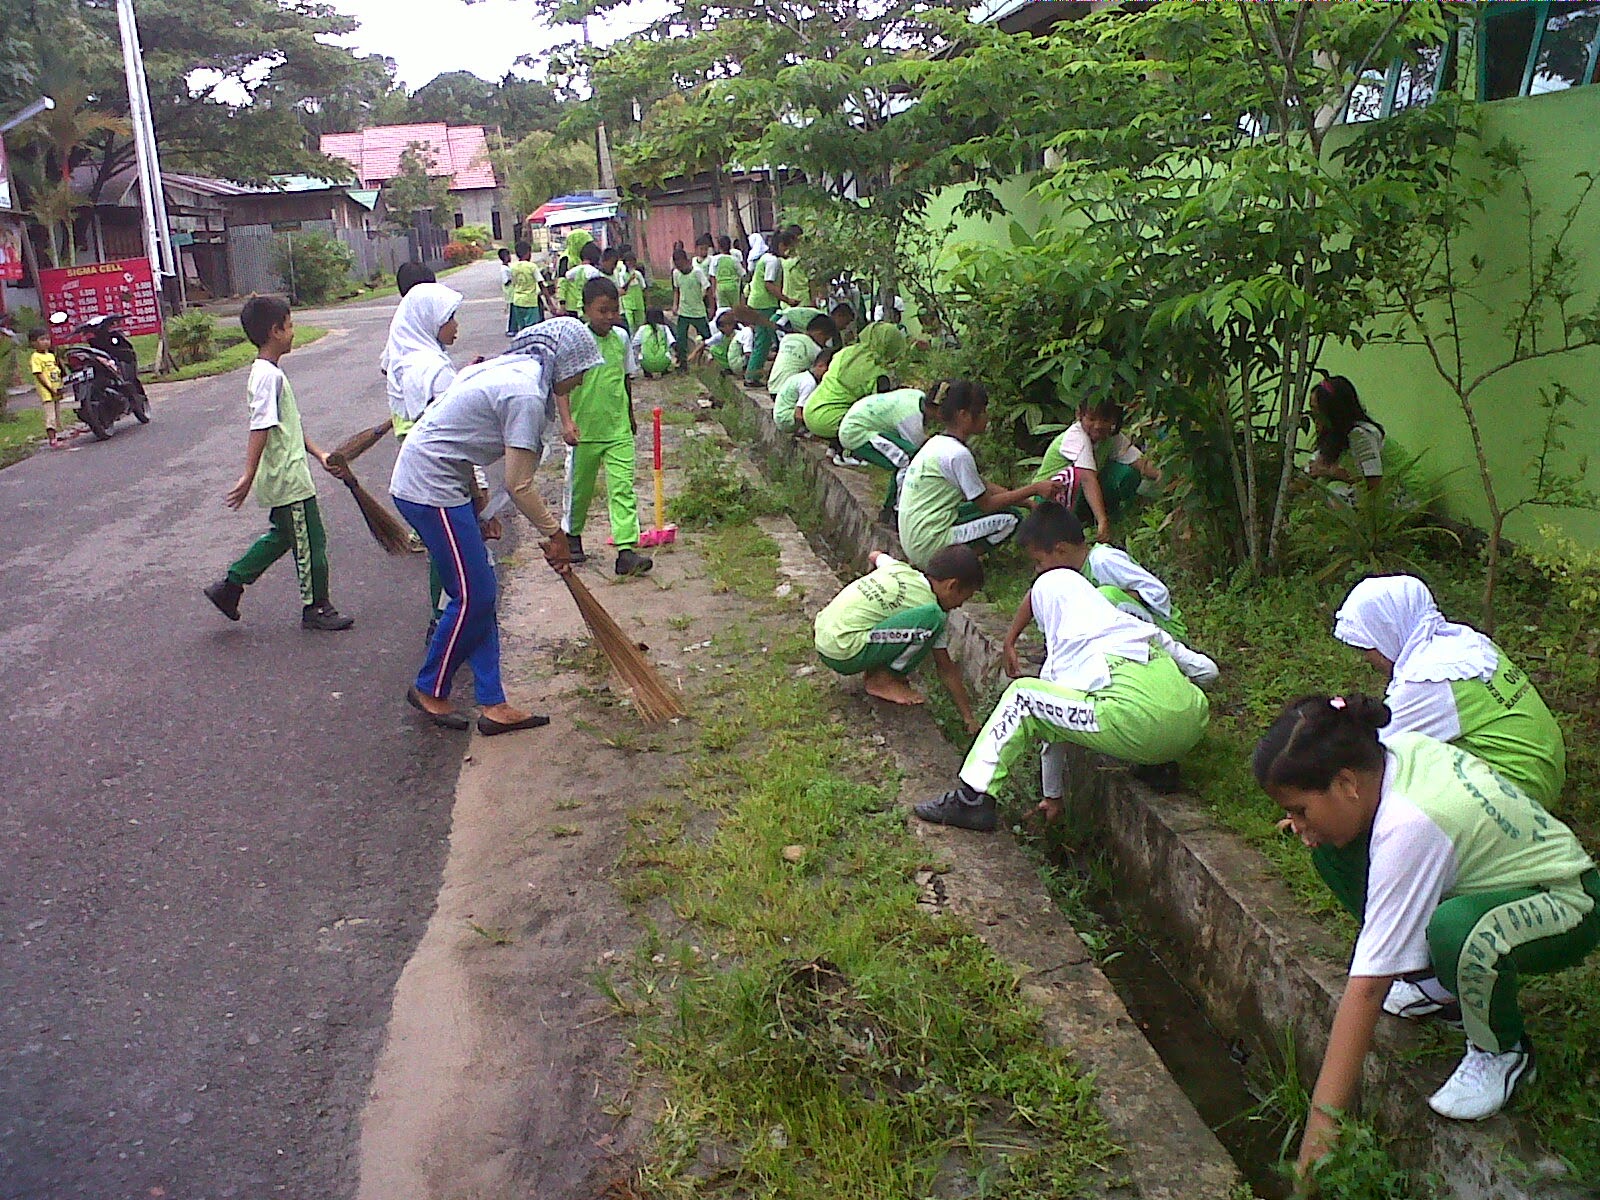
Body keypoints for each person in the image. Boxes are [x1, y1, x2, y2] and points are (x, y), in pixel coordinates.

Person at [1254, 695, 1598, 1177]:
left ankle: (1503, 1052)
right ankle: (1439, 984)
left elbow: (1368, 989)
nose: (1299, 825)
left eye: (1302, 809)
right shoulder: (1389, 756)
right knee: (1333, 848)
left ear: (1345, 783)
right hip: (1490, 888)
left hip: (1565, 901)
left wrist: (1318, 1137)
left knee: (1458, 930)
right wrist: (1310, 823)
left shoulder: (1411, 825)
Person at [916, 501, 1216, 833]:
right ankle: (1157, 761)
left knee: (1023, 696)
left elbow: (1051, 731)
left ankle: (972, 799)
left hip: (1138, 727)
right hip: (1193, 722)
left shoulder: (1065, 654)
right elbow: (1207, 671)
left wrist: (1053, 794)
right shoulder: (1140, 629)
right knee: (1138, 703)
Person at [390, 318, 602, 734]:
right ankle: (429, 686)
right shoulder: (523, 392)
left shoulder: (514, 371)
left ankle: (493, 703)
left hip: (447, 483)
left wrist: (478, 508)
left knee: (480, 593)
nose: (579, 380)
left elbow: (456, 437)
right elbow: (519, 484)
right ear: (563, 363)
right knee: (474, 595)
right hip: (428, 489)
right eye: (579, 370)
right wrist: (556, 536)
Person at [204, 296, 353, 632]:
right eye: (290, 325)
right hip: (288, 478)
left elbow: (289, 425)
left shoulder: (268, 373)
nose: (293, 331)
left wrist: (320, 454)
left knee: (285, 536)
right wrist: (248, 474)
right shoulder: (266, 377)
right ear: (275, 331)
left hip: (289, 473)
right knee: (312, 541)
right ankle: (316, 607)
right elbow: (261, 426)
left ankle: (230, 587)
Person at [814, 545, 984, 726]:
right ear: (952, 585)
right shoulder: (932, 614)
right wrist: (969, 717)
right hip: (844, 651)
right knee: (933, 619)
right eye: (964, 598)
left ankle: (879, 671)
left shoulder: (899, 569)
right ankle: (882, 681)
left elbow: (875, 555)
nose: (959, 606)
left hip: (823, 635)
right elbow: (945, 668)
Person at [896, 380, 1055, 569]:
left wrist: (1027, 502)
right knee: (1010, 519)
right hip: (928, 544)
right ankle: (956, 566)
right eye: (982, 412)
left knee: (987, 509)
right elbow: (987, 504)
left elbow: (981, 485)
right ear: (964, 415)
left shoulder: (937, 443)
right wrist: (1034, 488)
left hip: (914, 537)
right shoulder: (958, 454)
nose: (986, 417)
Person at [555, 277, 652, 577]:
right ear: (585, 310)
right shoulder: (573, 341)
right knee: (579, 489)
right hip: (583, 432)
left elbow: (625, 377)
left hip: (617, 428)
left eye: (614, 310)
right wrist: (567, 422)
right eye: (602, 311)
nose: (610, 317)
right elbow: (560, 387)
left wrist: (631, 415)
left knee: (622, 489)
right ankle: (572, 536)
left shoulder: (622, 338)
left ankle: (625, 550)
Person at [1029, 505, 1188, 639]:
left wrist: (1105, 603)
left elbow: (1158, 592)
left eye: (1039, 561)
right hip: (1124, 634)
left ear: (1061, 550)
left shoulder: (1104, 560)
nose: (1038, 569)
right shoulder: (1072, 576)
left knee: (1105, 595)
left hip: (1166, 632)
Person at [1034, 397, 1161, 543]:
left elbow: (1140, 463)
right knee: (1080, 477)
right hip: (1049, 499)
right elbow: (1087, 479)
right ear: (1079, 415)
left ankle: (1103, 515)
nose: (1098, 425)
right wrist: (1102, 521)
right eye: (1092, 419)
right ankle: (1080, 523)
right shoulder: (1076, 437)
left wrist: (1168, 478)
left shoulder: (1112, 438)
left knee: (1128, 474)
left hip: (1081, 495)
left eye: (1105, 420)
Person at [838, 384, 939, 521]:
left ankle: (890, 509)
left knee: (902, 459)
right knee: (908, 461)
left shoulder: (916, 395)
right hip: (857, 432)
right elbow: (919, 451)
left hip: (861, 420)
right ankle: (897, 511)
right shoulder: (911, 420)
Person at [803, 321, 908, 444]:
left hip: (810, 408)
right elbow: (879, 408)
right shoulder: (877, 373)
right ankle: (848, 453)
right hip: (830, 421)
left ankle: (835, 449)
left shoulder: (846, 353)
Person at [1307, 375, 1384, 496]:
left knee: (1334, 490)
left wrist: (1330, 471)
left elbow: (1373, 482)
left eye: (1317, 410)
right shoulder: (1333, 436)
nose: (1312, 416)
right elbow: (1314, 465)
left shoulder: (1360, 435)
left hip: (1397, 498)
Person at [744, 231, 797, 385]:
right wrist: (787, 299)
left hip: (759, 302)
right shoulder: (773, 261)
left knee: (763, 339)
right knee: (763, 340)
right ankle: (752, 376)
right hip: (764, 304)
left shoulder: (766, 258)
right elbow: (769, 284)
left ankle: (754, 373)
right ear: (781, 246)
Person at [766, 312, 836, 394]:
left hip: (773, 388)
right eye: (825, 339)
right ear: (819, 334)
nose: (824, 344)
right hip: (791, 392)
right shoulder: (815, 349)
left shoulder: (787, 338)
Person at [671, 246, 713, 370]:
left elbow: (708, 289)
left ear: (686, 261)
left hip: (698, 311)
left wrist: (711, 307)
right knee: (681, 338)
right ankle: (682, 363)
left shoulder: (697, 272)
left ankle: (710, 357)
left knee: (706, 336)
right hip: (684, 311)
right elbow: (677, 290)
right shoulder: (676, 274)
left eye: (680, 264)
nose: (679, 267)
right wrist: (675, 305)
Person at [773, 349, 830, 437]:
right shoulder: (809, 383)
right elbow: (798, 413)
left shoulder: (804, 376)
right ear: (820, 366)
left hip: (780, 415)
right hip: (786, 419)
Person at [27, 328, 63, 449]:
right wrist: (50, 389)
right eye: (42, 339)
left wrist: (59, 387)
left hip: (55, 389)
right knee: (50, 416)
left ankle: (57, 436)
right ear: (33, 343)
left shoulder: (51, 356)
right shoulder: (36, 357)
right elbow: (39, 374)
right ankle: (52, 439)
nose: (46, 342)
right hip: (47, 392)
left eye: (47, 339)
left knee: (57, 414)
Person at [508, 242, 544, 334]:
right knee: (532, 328)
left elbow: (512, 282)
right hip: (530, 301)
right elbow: (541, 283)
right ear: (528, 252)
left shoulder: (512, 267)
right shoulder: (532, 266)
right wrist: (549, 301)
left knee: (522, 328)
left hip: (517, 300)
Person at [631, 307, 676, 379]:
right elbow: (672, 343)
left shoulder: (642, 328)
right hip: (663, 363)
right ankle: (664, 370)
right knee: (666, 349)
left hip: (646, 364)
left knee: (641, 351)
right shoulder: (664, 328)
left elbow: (634, 344)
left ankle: (647, 372)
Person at [562, 242, 604, 316]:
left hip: (576, 304)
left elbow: (567, 276)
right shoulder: (593, 271)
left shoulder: (577, 269)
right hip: (589, 304)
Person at [617, 246, 647, 334]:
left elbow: (644, 288)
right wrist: (629, 279)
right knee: (630, 324)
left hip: (639, 303)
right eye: (628, 261)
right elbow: (622, 288)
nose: (630, 263)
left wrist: (646, 302)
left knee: (640, 324)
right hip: (628, 304)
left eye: (632, 261)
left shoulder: (638, 274)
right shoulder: (622, 275)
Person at [711, 234, 744, 309]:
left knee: (722, 310)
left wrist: (713, 292)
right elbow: (742, 273)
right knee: (735, 309)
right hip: (733, 287)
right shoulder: (734, 259)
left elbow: (713, 276)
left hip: (720, 287)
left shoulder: (715, 259)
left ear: (719, 246)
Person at [497, 247, 515, 336]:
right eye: (508, 255)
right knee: (512, 312)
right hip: (510, 293)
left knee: (514, 311)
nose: (510, 257)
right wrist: (513, 279)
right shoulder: (504, 269)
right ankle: (511, 329)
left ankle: (514, 328)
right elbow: (506, 281)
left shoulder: (508, 267)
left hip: (513, 292)